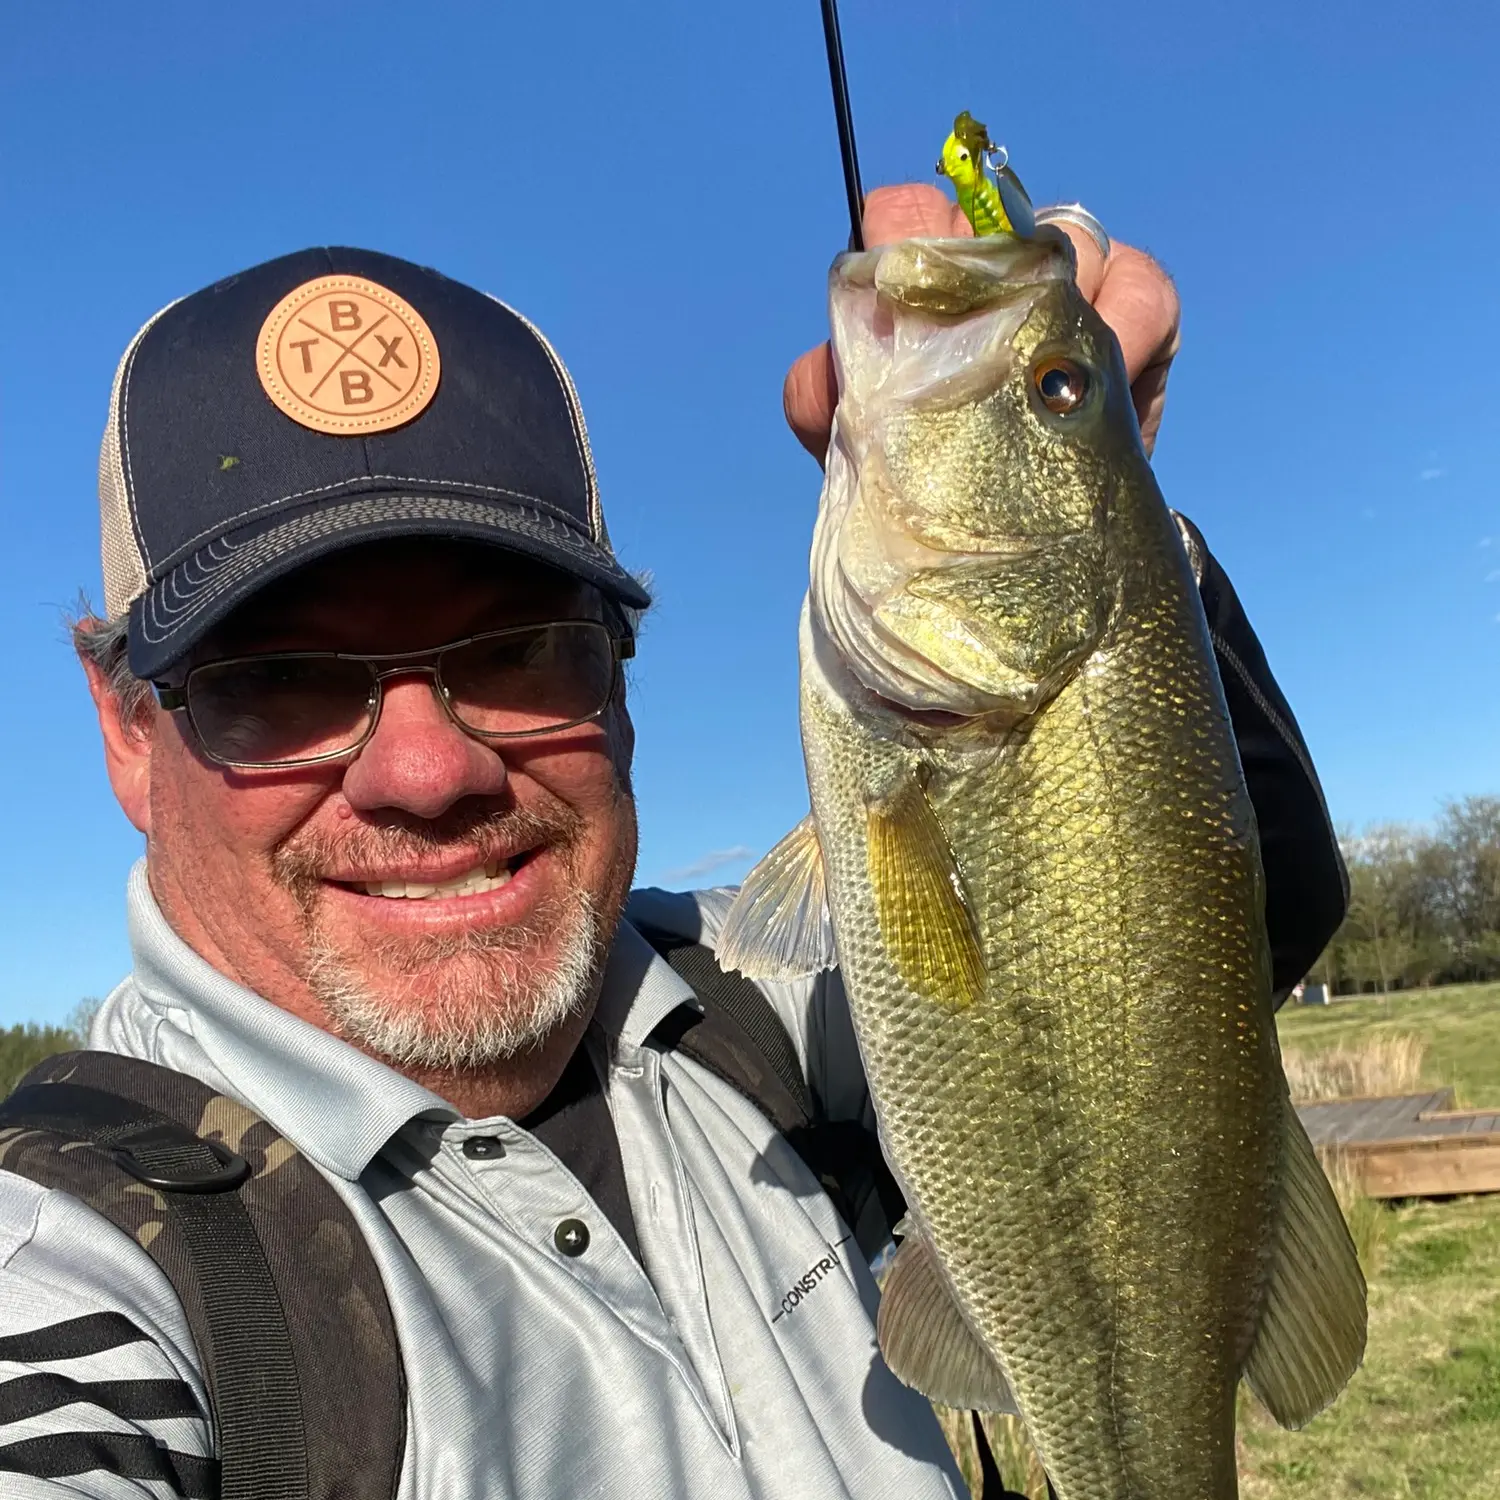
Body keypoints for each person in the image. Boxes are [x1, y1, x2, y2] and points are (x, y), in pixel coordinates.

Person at [0, 185, 1345, 1499]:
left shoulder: (741, 1017)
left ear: (623, 679)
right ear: (126, 726)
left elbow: (1220, 957)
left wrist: (1110, 531)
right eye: (279, 677)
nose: (426, 771)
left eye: (520, 647)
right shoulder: (77, 1270)